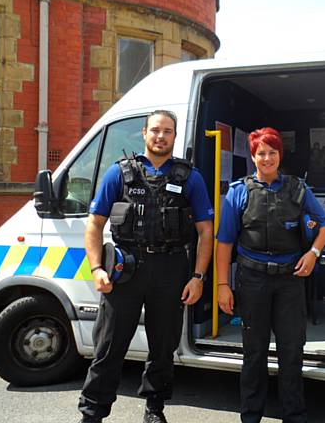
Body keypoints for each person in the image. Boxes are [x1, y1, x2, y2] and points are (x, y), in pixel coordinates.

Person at [78, 110, 214, 423]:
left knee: (163, 347)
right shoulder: (119, 173)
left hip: (171, 269)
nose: (160, 136)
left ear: (175, 137)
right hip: (125, 271)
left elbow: (206, 230)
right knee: (109, 346)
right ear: (144, 133)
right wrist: (97, 268)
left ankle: (154, 409)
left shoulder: (189, 177)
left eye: (167, 131)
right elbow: (94, 224)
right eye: (155, 130)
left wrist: (198, 277)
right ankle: (91, 414)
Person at [216, 127, 325, 423]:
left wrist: (313, 253)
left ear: (280, 155)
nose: (266, 158)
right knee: (254, 353)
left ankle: (294, 415)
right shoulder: (238, 192)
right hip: (252, 281)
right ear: (253, 157)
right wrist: (222, 285)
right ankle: (251, 416)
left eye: (272, 152)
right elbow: (225, 242)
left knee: (291, 351)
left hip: (289, 282)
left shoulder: (297, 189)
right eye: (260, 153)